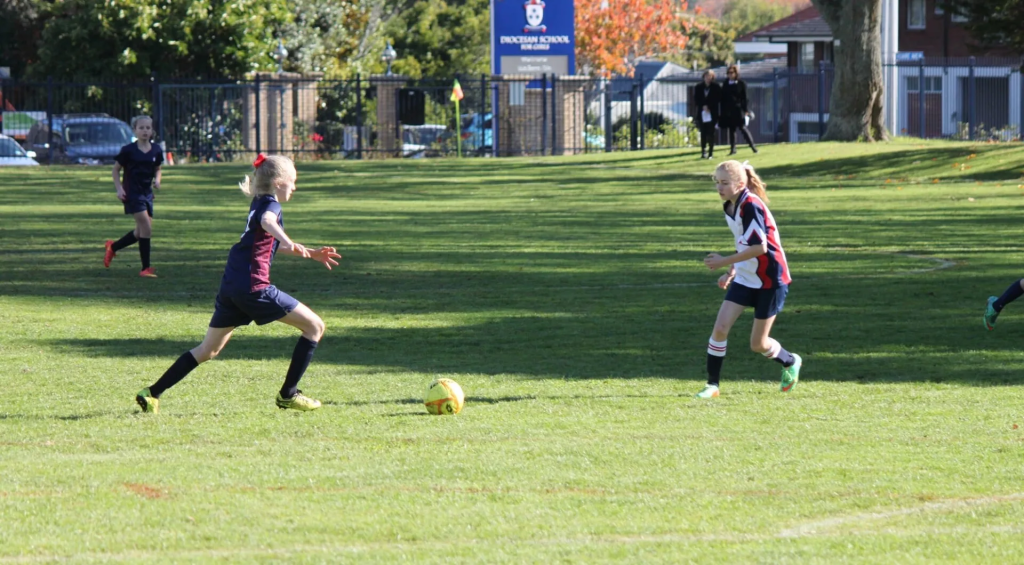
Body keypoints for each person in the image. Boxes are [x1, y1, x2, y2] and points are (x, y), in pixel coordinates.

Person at [135, 154, 341, 413]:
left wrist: (310, 252)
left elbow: (267, 242)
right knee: (315, 326)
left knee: (208, 349)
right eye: (293, 181)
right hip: (253, 286)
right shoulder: (272, 207)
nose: (295, 187)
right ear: (278, 182)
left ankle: (152, 392)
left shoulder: (258, 201)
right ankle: (288, 394)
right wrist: (286, 238)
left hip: (232, 285)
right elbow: (268, 224)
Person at [697, 160, 800, 398]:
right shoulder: (730, 206)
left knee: (758, 344)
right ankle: (712, 386)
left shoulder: (751, 205)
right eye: (717, 182)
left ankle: (790, 361)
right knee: (720, 328)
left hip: (770, 280)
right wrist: (732, 271)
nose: (719, 188)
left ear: (740, 184)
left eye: (725, 183)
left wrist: (723, 261)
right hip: (745, 277)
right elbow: (742, 244)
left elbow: (759, 247)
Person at [105, 116, 163, 277]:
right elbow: (115, 170)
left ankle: (113, 247)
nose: (145, 131)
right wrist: (119, 189)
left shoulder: (156, 150)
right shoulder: (128, 150)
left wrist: (157, 181)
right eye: (141, 128)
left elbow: (158, 168)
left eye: (148, 128)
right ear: (135, 130)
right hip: (132, 193)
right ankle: (145, 269)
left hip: (147, 195)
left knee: (140, 232)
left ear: (152, 130)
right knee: (147, 228)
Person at [720, 65, 758, 156]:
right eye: (728, 73)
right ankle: (733, 149)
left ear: (736, 73)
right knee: (731, 130)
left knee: (742, 128)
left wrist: (745, 109)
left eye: (732, 73)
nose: (730, 75)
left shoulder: (741, 83)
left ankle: (753, 147)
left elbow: (744, 98)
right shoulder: (725, 83)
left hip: (738, 110)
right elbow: (723, 97)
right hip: (729, 110)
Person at [692, 70, 722, 160]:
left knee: (711, 133)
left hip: (712, 113)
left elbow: (718, 99)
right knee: (703, 133)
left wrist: (709, 106)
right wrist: (703, 106)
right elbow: (696, 99)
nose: (708, 78)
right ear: (704, 77)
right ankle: (703, 151)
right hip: (702, 113)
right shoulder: (698, 87)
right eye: (706, 76)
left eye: (710, 76)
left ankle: (710, 153)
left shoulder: (716, 87)